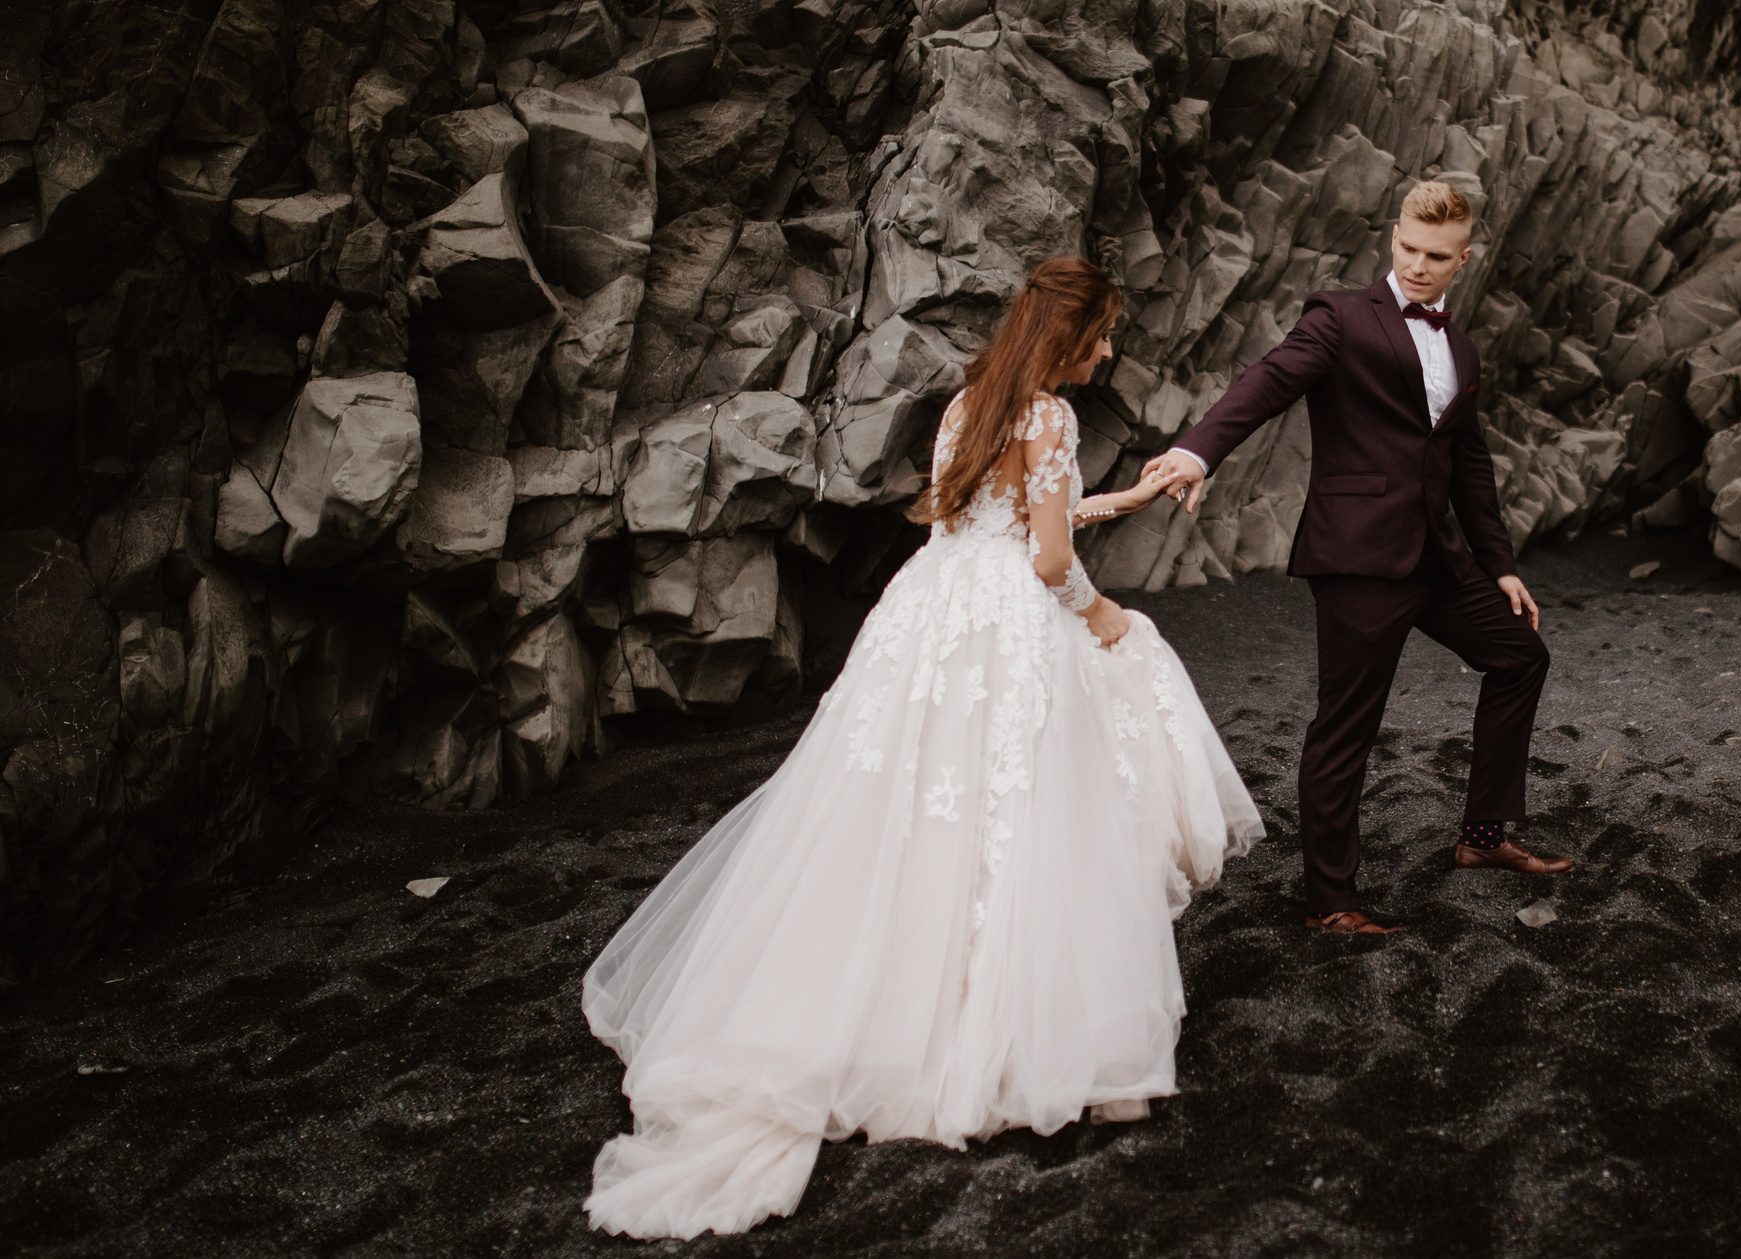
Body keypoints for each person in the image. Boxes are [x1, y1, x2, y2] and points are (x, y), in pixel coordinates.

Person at [582, 257, 1263, 1239]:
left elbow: (995, 518)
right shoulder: (1051, 415)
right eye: (1103, 333)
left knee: (897, 803)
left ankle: (870, 1001)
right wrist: (1102, 612)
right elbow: (1047, 558)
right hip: (1007, 622)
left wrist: (1112, 503)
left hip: (930, 612)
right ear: (1069, 337)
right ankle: (987, 1029)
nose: (1110, 349)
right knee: (1033, 782)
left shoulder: (969, 402)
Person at [1143, 180, 1570, 937]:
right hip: (1358, 555)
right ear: (1393, 237)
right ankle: (1330, 901)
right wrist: (1197, 452)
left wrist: (1500, 564)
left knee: (1520, 656)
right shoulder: (1339, 316)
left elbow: (1469, 462)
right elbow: (1268, 380)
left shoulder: (1461, 347)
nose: (1417, 265)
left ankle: (1481, 837)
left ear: (1464, 259)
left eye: (1436, 256)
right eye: (1408, 247)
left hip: (1438, 558)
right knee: (1347, 727)